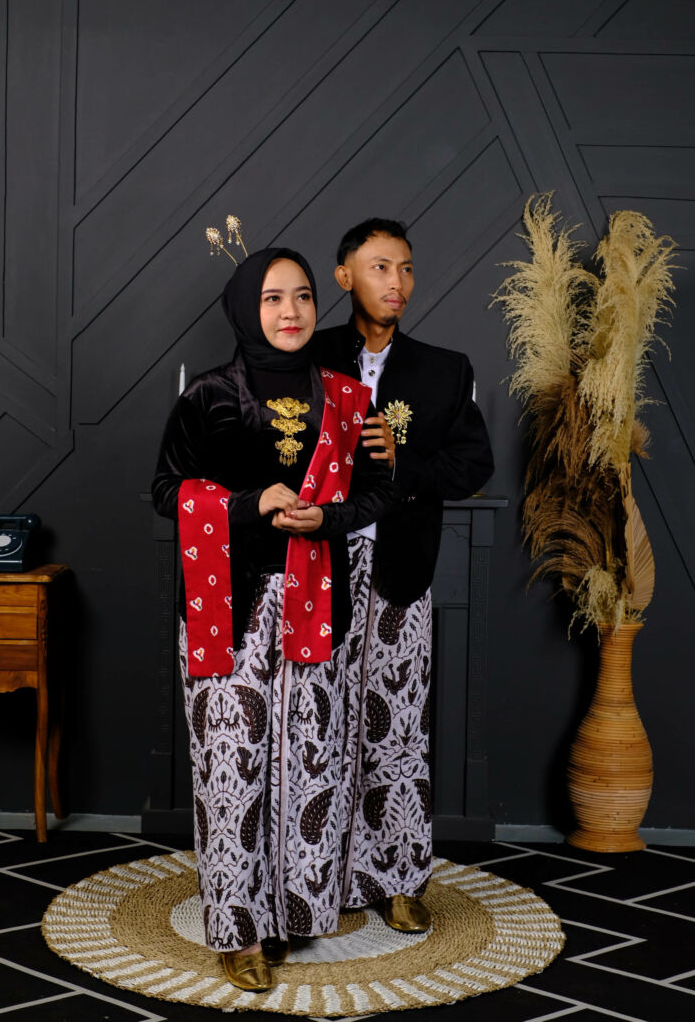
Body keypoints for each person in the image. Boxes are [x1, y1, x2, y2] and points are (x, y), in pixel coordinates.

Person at [151, 246, 393, 992]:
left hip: (317, 601)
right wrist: (246, 504)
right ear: (244, 308)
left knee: (307, 763)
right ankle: (239, 929)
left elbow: (376, 493)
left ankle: (291, 911)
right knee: (232, 766)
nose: (291, 311)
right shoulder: (208, 397)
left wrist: (328, 518)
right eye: (272, 298)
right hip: (231, 605)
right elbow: (166, 491)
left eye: (303, 296)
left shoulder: (348, 399)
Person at [313, 218, 494, 933]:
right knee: (317, 724)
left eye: (407, 268)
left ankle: (399, 880)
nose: (398, 283)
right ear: (345, 276)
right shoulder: (307, 355)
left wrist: (404, 461)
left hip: (400, 568)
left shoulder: (445, 369)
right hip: (316, 568)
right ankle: (316, 879)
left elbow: (474, 464)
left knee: (395, 726)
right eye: (381, 267)